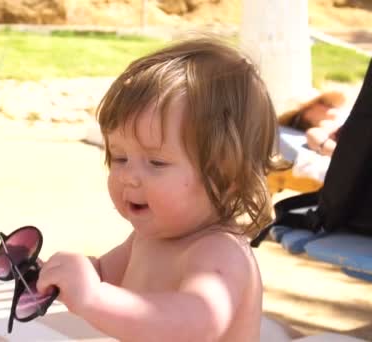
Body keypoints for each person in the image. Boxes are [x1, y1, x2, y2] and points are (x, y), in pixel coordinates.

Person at [33, 37, 284, 342]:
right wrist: (50, 276)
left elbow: (193, 324)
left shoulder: (219, 252)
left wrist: (93, 296)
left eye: (156, 162)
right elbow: (101, 277)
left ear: (225, 176)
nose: (128, 176)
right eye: (120, 157)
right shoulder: (145, 239)